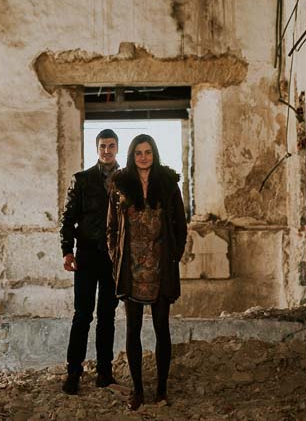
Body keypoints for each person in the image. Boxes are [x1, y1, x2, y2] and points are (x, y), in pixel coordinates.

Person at [107, 134, 187, 410]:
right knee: (133, 330)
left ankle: (162, 389)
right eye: (138, 152)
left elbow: (180, 224)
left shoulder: (168, 183)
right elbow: (111, 229)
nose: (143, 156)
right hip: (131, 270)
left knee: (162, 328)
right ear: (132, 155)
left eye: (148, 151)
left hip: (161, 268)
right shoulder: (120, 185)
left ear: (154, 154)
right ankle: (138, 390)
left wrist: (172, 257)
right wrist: (117, 257)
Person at [59, 129, 121, 394]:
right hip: (86, 255)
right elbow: (68, 218)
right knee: (82, 315)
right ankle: (74, 372)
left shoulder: (126, 179)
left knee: (107, 316)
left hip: (114, 259)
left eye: (111, 146)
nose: (106, 150)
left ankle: (104, 372)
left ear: (117, 148)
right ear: (96, 149)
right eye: (102, 146)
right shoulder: (82, 180)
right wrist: (67, 250)